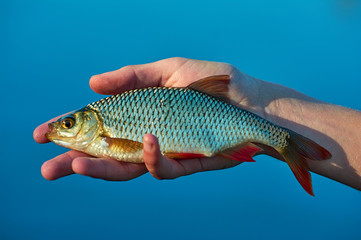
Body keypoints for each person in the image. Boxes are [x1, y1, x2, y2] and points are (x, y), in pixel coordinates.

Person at [33, 57, 361, 190]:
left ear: (91, 121)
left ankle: (285, 143)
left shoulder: (105, 122)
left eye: (70, 123)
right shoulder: (107, 117)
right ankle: (283, 142)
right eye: (67, 124)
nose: (62, 129)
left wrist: (259, 102)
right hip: (214, 127)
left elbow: (127, 148)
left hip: (211, 122)